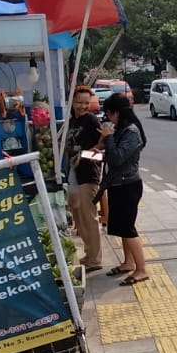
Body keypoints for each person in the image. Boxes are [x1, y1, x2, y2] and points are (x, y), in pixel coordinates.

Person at [97, 92, 149, 286]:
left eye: (109, 114)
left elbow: (118, 158)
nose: (108, 118)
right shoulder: (121, 130)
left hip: (128, 186)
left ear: (117, 112)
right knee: (121, 228)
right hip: (118, 184)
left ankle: (141, 270)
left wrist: (108, 137)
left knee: (128, 228)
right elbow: (112, 156)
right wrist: (96, 153)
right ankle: (128, 263)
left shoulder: (131, 132)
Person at [65, 85, 104, 273]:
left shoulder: (91, 120)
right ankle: (89, 254)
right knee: (79, 219)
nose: (83, 106)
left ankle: (95, 259)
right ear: (72, 102)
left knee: (89, 218)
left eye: (86, 103)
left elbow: (104, 141)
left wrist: (88, 153)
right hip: (74, 173)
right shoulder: (71, 120)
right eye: (79, 102)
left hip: (89, 174)